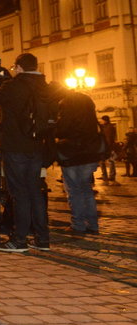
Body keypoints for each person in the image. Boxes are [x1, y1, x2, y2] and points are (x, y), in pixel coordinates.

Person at [0, 52, 55, 253]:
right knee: (34, 192)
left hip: (15, 146)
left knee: (19, 193)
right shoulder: (44, 86)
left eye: (15, 68)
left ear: (19, 67)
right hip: (36, 145)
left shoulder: (13, 86)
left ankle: (19, 240)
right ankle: (42, 239)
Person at [54, 89, 104, 234]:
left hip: (72, 154)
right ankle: (93, 224)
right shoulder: (87, 102)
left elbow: (61, 130)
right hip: (90, 152)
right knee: (86, 189)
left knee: (74, 190)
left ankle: (78, 224)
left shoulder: (66, 103)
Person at [98, 115, 118, 185]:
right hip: (105, 147)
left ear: (105, 120)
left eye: (102, 120)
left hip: (108, 147)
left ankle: (110, 176)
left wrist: (108, 148)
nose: (101, 121)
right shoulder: (105, 127)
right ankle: (105, 176)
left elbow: (109, 139)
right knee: (103, 162)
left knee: (110, 161)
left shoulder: (109, 128)